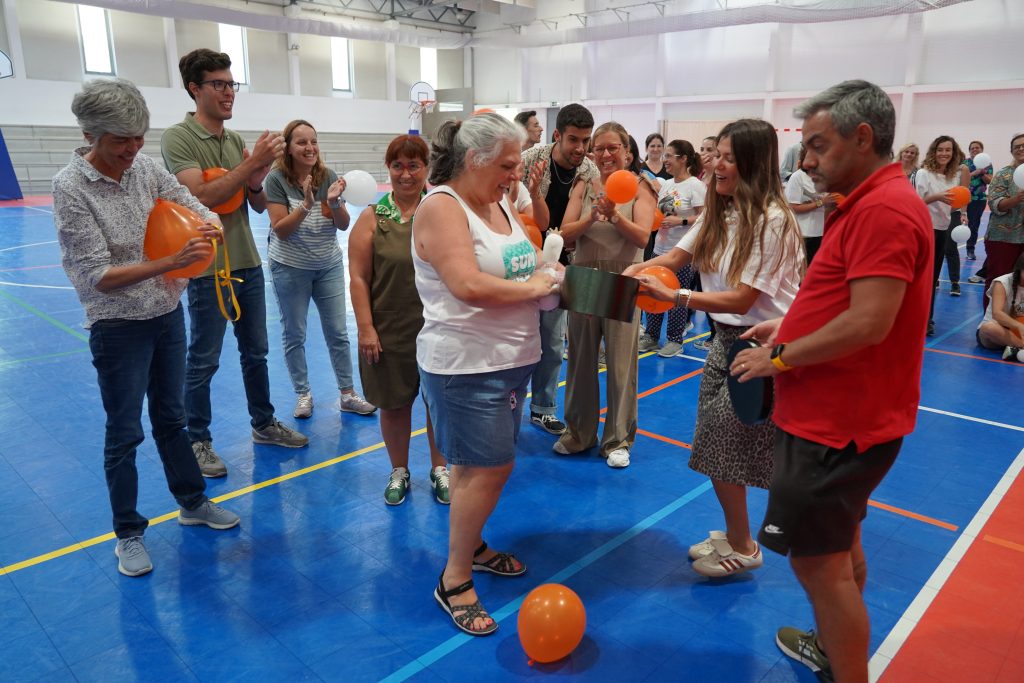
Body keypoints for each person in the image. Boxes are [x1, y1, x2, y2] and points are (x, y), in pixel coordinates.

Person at [730, 79, 932, 683]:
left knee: (821, 568)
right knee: (840, 550)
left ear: (862, 136)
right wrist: (788, 325)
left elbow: (870, 323)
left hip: (836, 427)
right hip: (839, 420)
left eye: (818, 146)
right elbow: (845, 301)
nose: (807, 161)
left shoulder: (885, 208)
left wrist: (783, 356)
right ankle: (829, 646)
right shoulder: (867, 200)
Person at [54, 79, 240, 577]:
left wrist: (209, 227)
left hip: (164, 314)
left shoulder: (147, 168)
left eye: (139, 137)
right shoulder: (71, 188)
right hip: (117, 326)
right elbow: (98, 274)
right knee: (124, 431)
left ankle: (192, 502)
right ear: (91, 135)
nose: (133, 149)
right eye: (120, 140)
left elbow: (194, 205)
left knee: (172, 418)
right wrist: (170, 261)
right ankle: (129, 533)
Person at [627, 118, 803, 575]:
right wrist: (633, 272)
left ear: (753, 164)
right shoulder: (718, 210)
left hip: (761, 347)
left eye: (726, 157)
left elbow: (745, 299)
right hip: (722, 341)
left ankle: (745, 546)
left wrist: (678, 296)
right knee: (715, 447)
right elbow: (675, 256)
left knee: (721, 443)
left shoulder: (774, 220)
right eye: (715, 154)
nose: (715, 164)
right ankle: (736, 534)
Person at [414, 114, 558, 635]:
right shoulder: (442, 208)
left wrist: (550, 272)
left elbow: (520, 264)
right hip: (467, 366)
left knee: (477, 468)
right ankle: (453, 578)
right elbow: (468, 285)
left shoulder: (498, 203)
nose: (514, 175)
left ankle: (471, 546)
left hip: (510, 360)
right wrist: (540, 286)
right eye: (507, 164)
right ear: (474, 160)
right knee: (488, 469)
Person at [161, 48, 307, 479]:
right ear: (195, 88)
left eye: (231, 84)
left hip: (246, 259)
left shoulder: (232, 140)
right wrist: (252, 163)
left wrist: (258, 179)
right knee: (203, 359)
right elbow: (201, 197)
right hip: (208, 266)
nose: (228, 92)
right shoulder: (179, 138)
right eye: (219, 84)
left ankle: (263, 424)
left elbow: (256, 205)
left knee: (256, 353)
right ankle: (198, 440)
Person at [348, 134, 450, 506]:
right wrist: (366, 328)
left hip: (437, 325)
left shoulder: (441, 213)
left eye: (414, 165)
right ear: (388, 170)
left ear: (426, 170)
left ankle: (440, 469)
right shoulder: (371, 218)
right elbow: (358, 278)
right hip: (388, 328)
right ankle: (399, 470)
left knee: (437, 403)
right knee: (394, 403)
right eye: (398, 166)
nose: (405, 174)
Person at [556, 121, 655, 469]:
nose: (606, 153)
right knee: (580, 360)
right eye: (600, 147)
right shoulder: (584, 184)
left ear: (627, 152)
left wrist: (614, 216)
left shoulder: (642, 185)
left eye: (613, 147)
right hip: (583, 275)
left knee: (620, 363)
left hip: (622, 275)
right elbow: (565, 232)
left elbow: (643, 237)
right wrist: (592, 217)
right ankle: (579, 433)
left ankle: (617, 439)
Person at [265, 119, 376, 420]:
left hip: (326, 265)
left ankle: (348, 394)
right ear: (288, 147)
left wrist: (335, 202)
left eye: (313, 141)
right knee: (295, 333)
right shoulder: (275, 180)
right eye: (301, 142)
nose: (309, 147)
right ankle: (303, 394)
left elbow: (341, 224)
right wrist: (305, 204)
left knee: (338, 332)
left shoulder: (327, 176)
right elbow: (280, 230)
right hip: (290, 267)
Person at [521, 104, 600, 436]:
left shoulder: (590, 172)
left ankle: (543, 407)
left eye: (585, 140)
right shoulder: (530, 160)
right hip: (522, 262)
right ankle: (506, 403)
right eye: (573, 140)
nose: (580, 148)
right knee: (517, 338)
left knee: (553, 342)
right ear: (557, 136)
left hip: (563, 265)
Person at [639, 139, 706, 357]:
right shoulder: (667, 184)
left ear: (683, 158)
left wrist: (682, 222)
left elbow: (706, 217)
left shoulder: (695, 186)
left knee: (676, 295)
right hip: (660, 248)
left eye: (669, 156)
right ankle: (651, 335)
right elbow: (661, 212)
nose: (664, 160)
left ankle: (675, 339)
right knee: (653, 291)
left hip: (682, 253)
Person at [915, 135, 968, 334]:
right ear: (933, 152)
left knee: (933, 277)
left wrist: (962, 212)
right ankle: (912, 317)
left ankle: (926, 318)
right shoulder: (923, 173)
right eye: (940, 150)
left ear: (953, 153)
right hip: (923, 229)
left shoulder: (953, 176)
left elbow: (959, 199)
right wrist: (937, 197)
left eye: (948, 150)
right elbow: (915, 204)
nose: (944, 153)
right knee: (919, 276)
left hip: (942, 230)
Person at [981, 133, 1024, 311]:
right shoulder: (1004, 174)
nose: (1021, 148)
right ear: (1011, 151)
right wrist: (1016, 199)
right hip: (1003, 237)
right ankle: (990, 322)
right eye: (1017, 146)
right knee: (999, 280)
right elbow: (995, 203)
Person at [786, 144, 840, 265]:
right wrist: (821, 202)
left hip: (821, 232)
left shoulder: (824, 176)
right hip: (805, 233)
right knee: (804, 271)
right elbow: (793, 207)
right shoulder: (797, 177)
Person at [692, 135, 720, 352]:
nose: (705, 153)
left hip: (715, 244)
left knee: (712, 291)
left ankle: (715, 335)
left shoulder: (719, 181)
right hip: (701, 242)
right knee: (703, 287)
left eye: (710, 149)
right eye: (702, 148)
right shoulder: (699, 177)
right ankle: (714, 334)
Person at [977, 252, 1024, 360]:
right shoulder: (1002, 282)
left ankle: (1015, 350)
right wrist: (1018, 326)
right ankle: (1019, 348)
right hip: (998, 333)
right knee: (988, 328)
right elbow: (997, 314)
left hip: (1019, 333)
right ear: (1020, 269)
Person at [964, 140, 993, 260]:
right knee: (955, 223)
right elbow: (960, 178)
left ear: (982, 150)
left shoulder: (987, 164)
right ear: (969, 150)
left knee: (973, 226)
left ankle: (970, 250)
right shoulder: (964, 163)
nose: (975, 150)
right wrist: (974, 172)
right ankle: (948, 249)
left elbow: (989, 180)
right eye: (972, 148)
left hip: (978, 199)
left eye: (977, 148)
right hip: (963, 197)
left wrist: (981, 173)